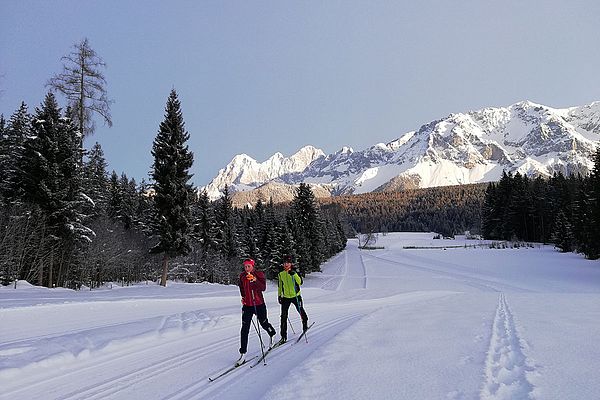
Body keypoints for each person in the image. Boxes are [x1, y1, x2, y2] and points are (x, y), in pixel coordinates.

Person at [236, 258, 276, 366]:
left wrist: (254, 280)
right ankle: (243, 353)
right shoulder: (242, 276)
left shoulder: (259, 274)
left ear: (253, 266)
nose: (247, 268)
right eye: (245, 266)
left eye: (249, 266)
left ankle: (272, 333)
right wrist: (243, 297)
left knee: (263, 323)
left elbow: (263, 287)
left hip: (258, 304)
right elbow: (242, 288)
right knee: (244, 329)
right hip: (247, 306)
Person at [277, 255, 309, 345]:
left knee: (300, 311)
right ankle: (283, 336)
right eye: (284, 263)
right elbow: (280, 286)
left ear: (291, 264)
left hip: (296, 296)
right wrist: (279, 296)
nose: (286, 264)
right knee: (283, 316)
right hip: (286, 297)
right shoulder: (281, 274)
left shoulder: (295, 272)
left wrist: (294, 274)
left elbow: (300, 282)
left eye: (288, 263)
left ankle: (305, 323)